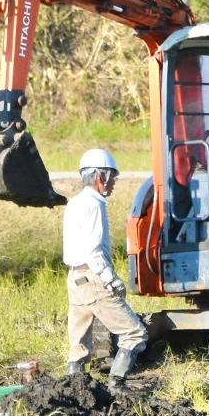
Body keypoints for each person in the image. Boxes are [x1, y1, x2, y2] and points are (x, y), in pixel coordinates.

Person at [62, 147, 148, 383]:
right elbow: (93, 250)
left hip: (75, 278)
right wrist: (111, 279)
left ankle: (74, 387)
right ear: (101, 176)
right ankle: (116, 384)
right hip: (93, 278)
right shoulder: (94, 204)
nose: (114, 183)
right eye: (113, 177)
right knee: (134, 334)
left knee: (79, 345)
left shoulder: (75, 202)